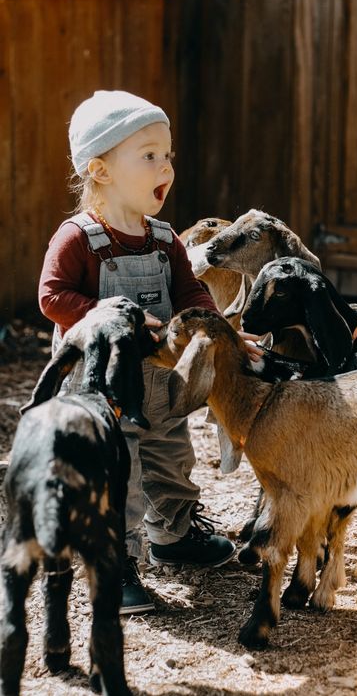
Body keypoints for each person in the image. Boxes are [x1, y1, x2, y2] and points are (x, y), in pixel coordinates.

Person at [38, 90, 259, 614]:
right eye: (150, 155)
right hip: (103, 388)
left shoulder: (164, 240)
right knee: (121, 474)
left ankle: (173, 536)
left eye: (168, 155)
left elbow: (190, 295)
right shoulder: (79, 240)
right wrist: (101, 312)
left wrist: (219, 331)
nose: (167, 166)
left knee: (172, 459)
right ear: (101, 169)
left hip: (162, 384)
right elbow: (51, 297)